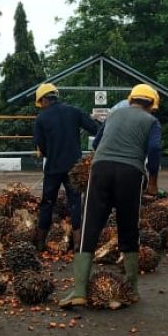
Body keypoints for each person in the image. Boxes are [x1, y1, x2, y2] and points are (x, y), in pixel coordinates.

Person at [59, 84, 162, 309]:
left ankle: (79, 291)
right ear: (152, 104)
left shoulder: (114, 115)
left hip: (100, 170)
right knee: (128, 228)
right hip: (130, 174)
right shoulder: (152, 122)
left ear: (131, 99)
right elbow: (154, 150)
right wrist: (152, 182)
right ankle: (131, 289)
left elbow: (96, 143)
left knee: (89, 226)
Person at [31, 83, 100, 252]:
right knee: (75, 202)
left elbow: (40, 144)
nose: (42, 106)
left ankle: (40, 243)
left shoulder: (41, 118)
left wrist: (50, 153)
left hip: (53, 169)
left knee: (47, 203)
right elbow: (96, 128)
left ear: (45, 99)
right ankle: (78, 243)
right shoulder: (74, 111)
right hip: (73, 169)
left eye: (42, 102)